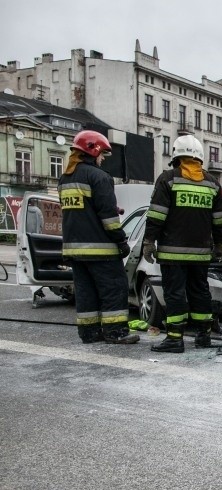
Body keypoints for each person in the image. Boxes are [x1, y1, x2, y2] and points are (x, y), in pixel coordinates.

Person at [142, 135, 222, 353]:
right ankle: (203, 336)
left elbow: (156, 215)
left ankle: (174, 338)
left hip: (172, 254)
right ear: (199, 157)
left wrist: (149, 241)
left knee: (175, 293)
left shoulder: (168, 179)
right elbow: (220, 221)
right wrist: (219, 246)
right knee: (200, 291)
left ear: (177, 156)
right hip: (200, 255)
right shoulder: (213, 184)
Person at [58, 130, 139, 344]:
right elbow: (108, 218)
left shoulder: (65, 178)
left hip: (74, 249)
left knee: (86, 292)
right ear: (93, 150)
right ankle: (116, 332)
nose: (102, 158)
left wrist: (111, 208)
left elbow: (81, 210)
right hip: (101, 249)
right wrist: (121, 241)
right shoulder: (99, 177)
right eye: (102, 154)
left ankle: (89, 333)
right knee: (114, 288)